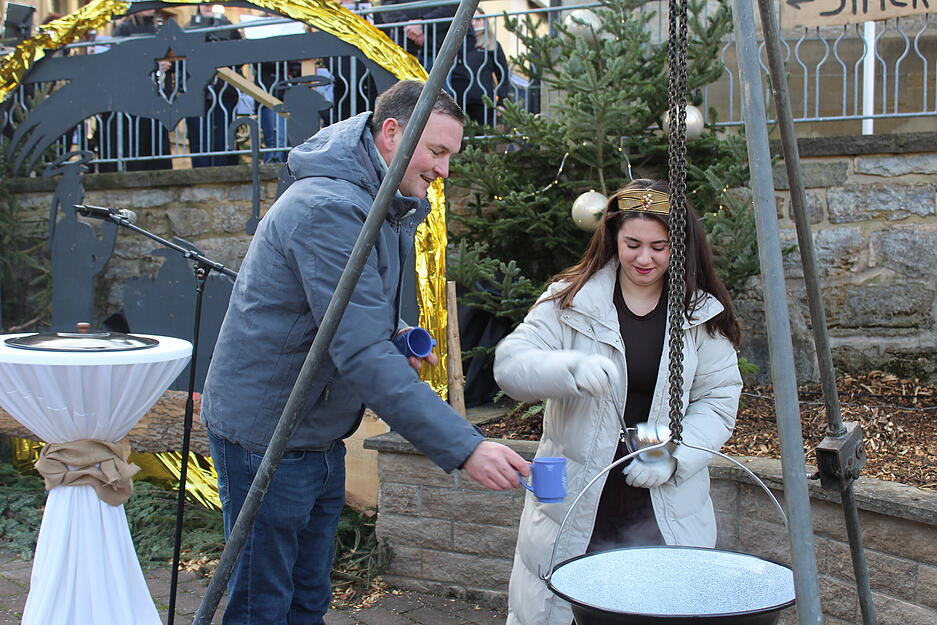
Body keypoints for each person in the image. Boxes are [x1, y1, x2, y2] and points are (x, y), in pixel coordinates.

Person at [200, 80, 530, 625]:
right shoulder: (329, 208)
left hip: (316, 426)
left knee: (308, 595)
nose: (445, 170)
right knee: (263, 603)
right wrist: (465, 447)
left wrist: (397, 330)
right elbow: (359, 351)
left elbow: (351, 304)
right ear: (392, 132)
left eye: (452, 156)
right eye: (438, 152)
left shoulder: (380, 197)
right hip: (268, 432)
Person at [493, 178, 742, 625]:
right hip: (580, 495)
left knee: (657, 607)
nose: (644, 258)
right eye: (632, 244)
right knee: (566, 606)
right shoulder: (570, 301)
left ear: (680, 246)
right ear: (612, 237)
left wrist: (677, 459)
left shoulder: (699, 313)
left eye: (659, 246)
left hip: (665, 498)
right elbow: (510, 365)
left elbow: (718, 398)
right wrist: (568, 368)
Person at [185, 4, 241, 167]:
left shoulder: (230, 27)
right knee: (199, 139)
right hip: (197, 93)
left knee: (224, 138)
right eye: (205, 3)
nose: (208, 6)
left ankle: (224, 170)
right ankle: (200, 171)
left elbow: (240, 55)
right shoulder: (189, 27)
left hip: (225, 92)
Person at [451, 8, 510, 127]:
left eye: (478, 19)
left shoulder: (493, 45)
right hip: (459, 100)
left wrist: (502, 102)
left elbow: (502, 75)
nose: (474, 23)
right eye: (471, 19)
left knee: (483, 137)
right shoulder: (459, 44)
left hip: (483, 101)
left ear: (485, 21)